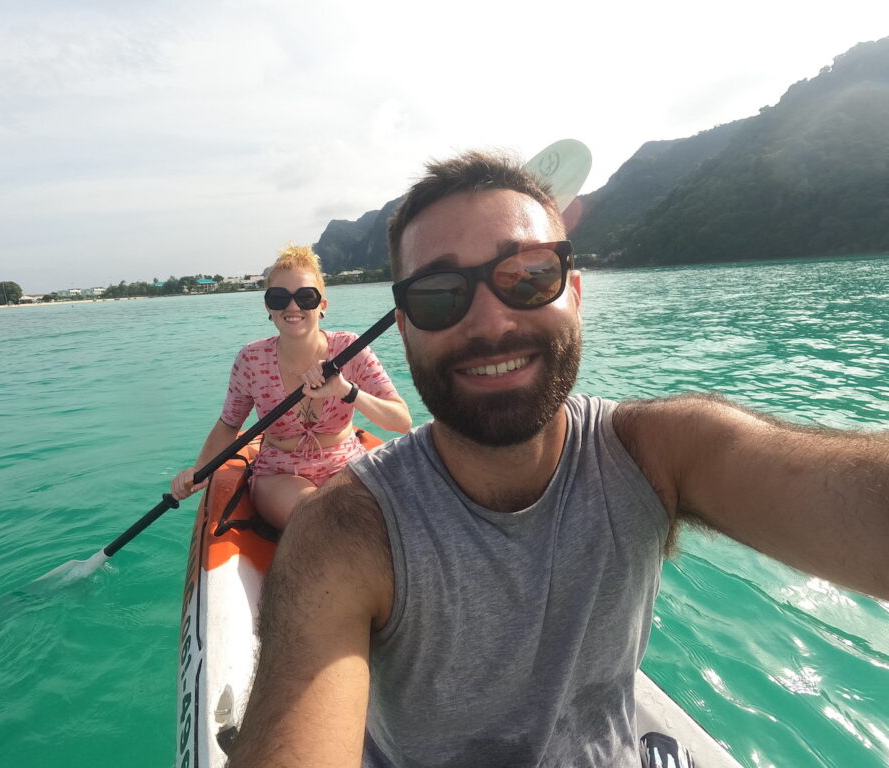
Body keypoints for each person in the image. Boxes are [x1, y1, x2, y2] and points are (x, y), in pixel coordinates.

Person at [226, 152, 888, 767]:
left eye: (529, 276)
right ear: (405, 325)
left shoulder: (661, 453)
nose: (490, 323)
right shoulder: (344, 535)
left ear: (573, 289)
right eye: (437, 293)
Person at [170, 244, 411, 529]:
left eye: (306, 297)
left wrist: (346, 391)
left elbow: (402, 421)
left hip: (344, 464)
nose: (293, 307)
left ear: (322, 306)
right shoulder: (251, 359)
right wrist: (198, 472)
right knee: (317, 518)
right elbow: (229, 424)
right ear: (268, 307)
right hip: (280, 473)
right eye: (279, 297)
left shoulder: (350, 348)